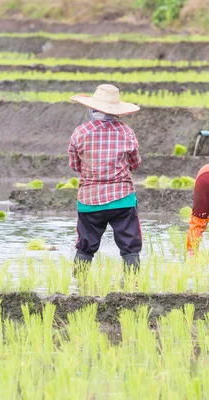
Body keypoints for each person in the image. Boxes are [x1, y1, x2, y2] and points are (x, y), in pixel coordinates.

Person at [68, 84, 142, 273]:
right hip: (122, 200)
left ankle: (79, 286)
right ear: (116, 111)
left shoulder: (80, 132)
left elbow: (75, 166)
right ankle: (132, 286)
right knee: (130, 247)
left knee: (85, 247)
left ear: (93, 109)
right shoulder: (126, 132)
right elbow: (135, 163)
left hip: (89, 200)